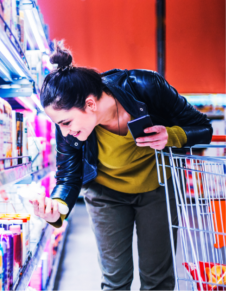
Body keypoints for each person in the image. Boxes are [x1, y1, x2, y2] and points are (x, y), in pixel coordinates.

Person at [30, 42, 212, 290]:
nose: (64, 132)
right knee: (115, 279)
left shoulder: (146, 87)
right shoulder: (70, 127)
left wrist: (171, 135)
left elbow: (203, 128)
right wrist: (58, 209)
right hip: (106, 196)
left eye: (66, 122)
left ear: (91, 104)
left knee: (158, 280)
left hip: (157, 189)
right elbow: (68, 176)